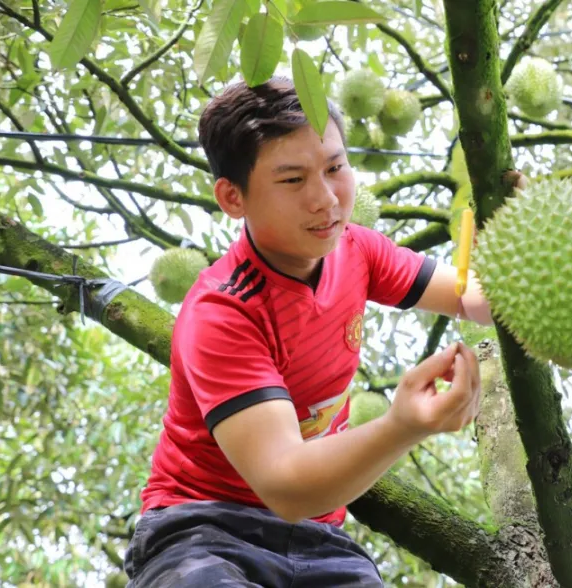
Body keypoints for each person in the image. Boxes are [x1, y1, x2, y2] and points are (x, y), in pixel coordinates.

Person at [123, 76, 495, 587]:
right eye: (293, 180)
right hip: (202, 534)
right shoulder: (223, 310)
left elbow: (470, 294)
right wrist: (403, 425)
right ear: (233, 197)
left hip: (322, 547)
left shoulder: (358, 251)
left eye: (336, 167)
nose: (326, 199)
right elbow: (286, 485)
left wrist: (546, 250)